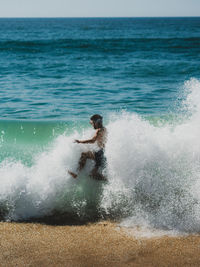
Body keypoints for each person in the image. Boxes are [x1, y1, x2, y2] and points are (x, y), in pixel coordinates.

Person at [68, 114, 107, 180]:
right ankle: (108, 181)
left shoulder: (99, 130)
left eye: (92, 123)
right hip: (103, 153)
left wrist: (80, 141)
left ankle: (77, 173)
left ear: (96, 122)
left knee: (84, 155)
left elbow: (92, 141)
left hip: (100, 154)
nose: (92, 125)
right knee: (93, 174)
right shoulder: (104, 129)